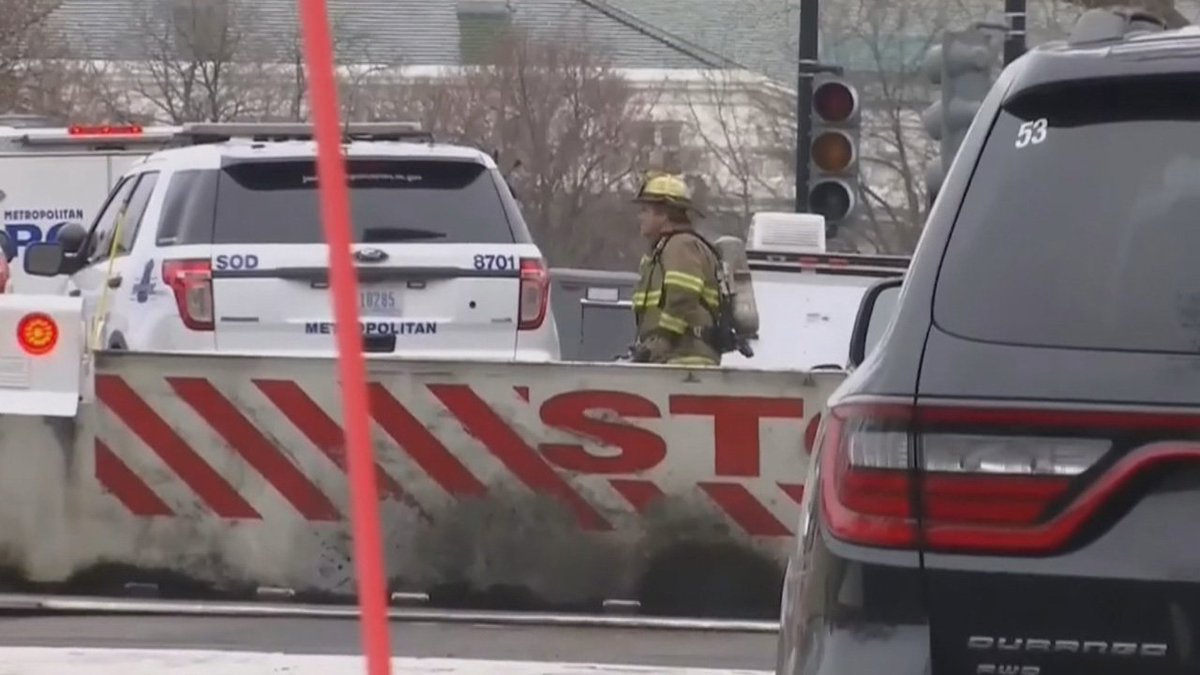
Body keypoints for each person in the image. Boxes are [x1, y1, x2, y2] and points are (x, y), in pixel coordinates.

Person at [629, 172, 723, 366]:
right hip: (672, 359)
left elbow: (683, 294)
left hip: (686, 360)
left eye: (645, 210)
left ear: (663, 214)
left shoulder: (681, 245)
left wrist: (663, 340)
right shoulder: (663, 249)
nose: (640, 217)